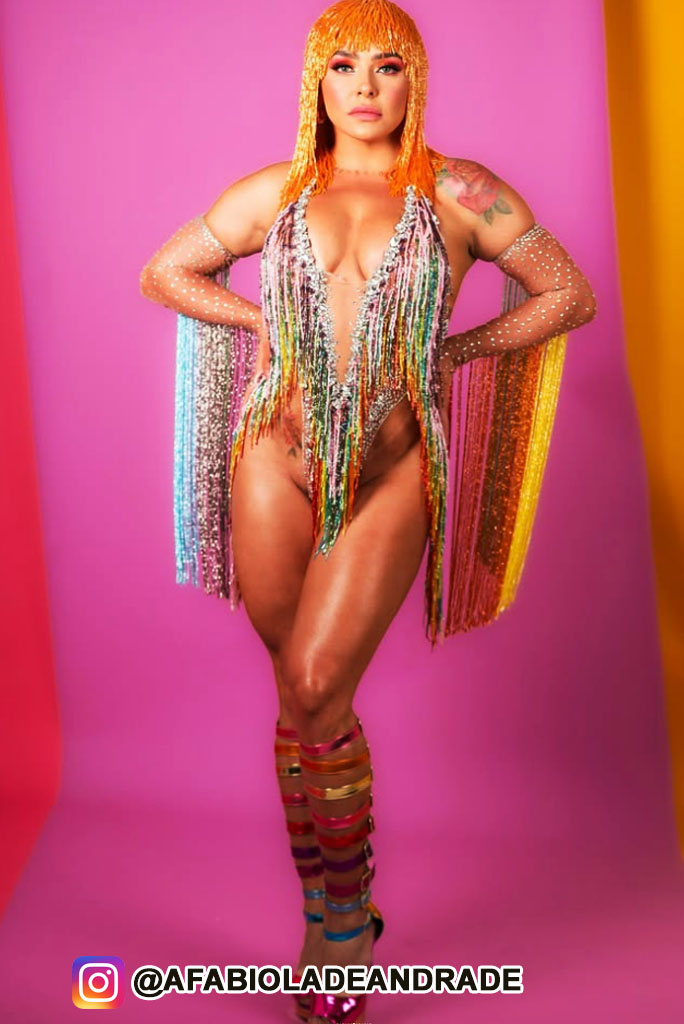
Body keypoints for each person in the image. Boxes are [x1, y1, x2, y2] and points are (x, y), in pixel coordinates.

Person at [139, 1, 597, 1019]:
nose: (363, 85)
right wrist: (259, 320)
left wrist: (457, 353)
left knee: (316, 680)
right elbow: (166, 272)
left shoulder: (459, 191)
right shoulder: (276, 191)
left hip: (390, 471)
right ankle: (324, 906)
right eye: (342, 65)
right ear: (317, 79)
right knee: (298, 698)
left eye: (387, 66)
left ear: (413, 80)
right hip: (274, 459)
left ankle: (345, 923)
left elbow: (567, 293)